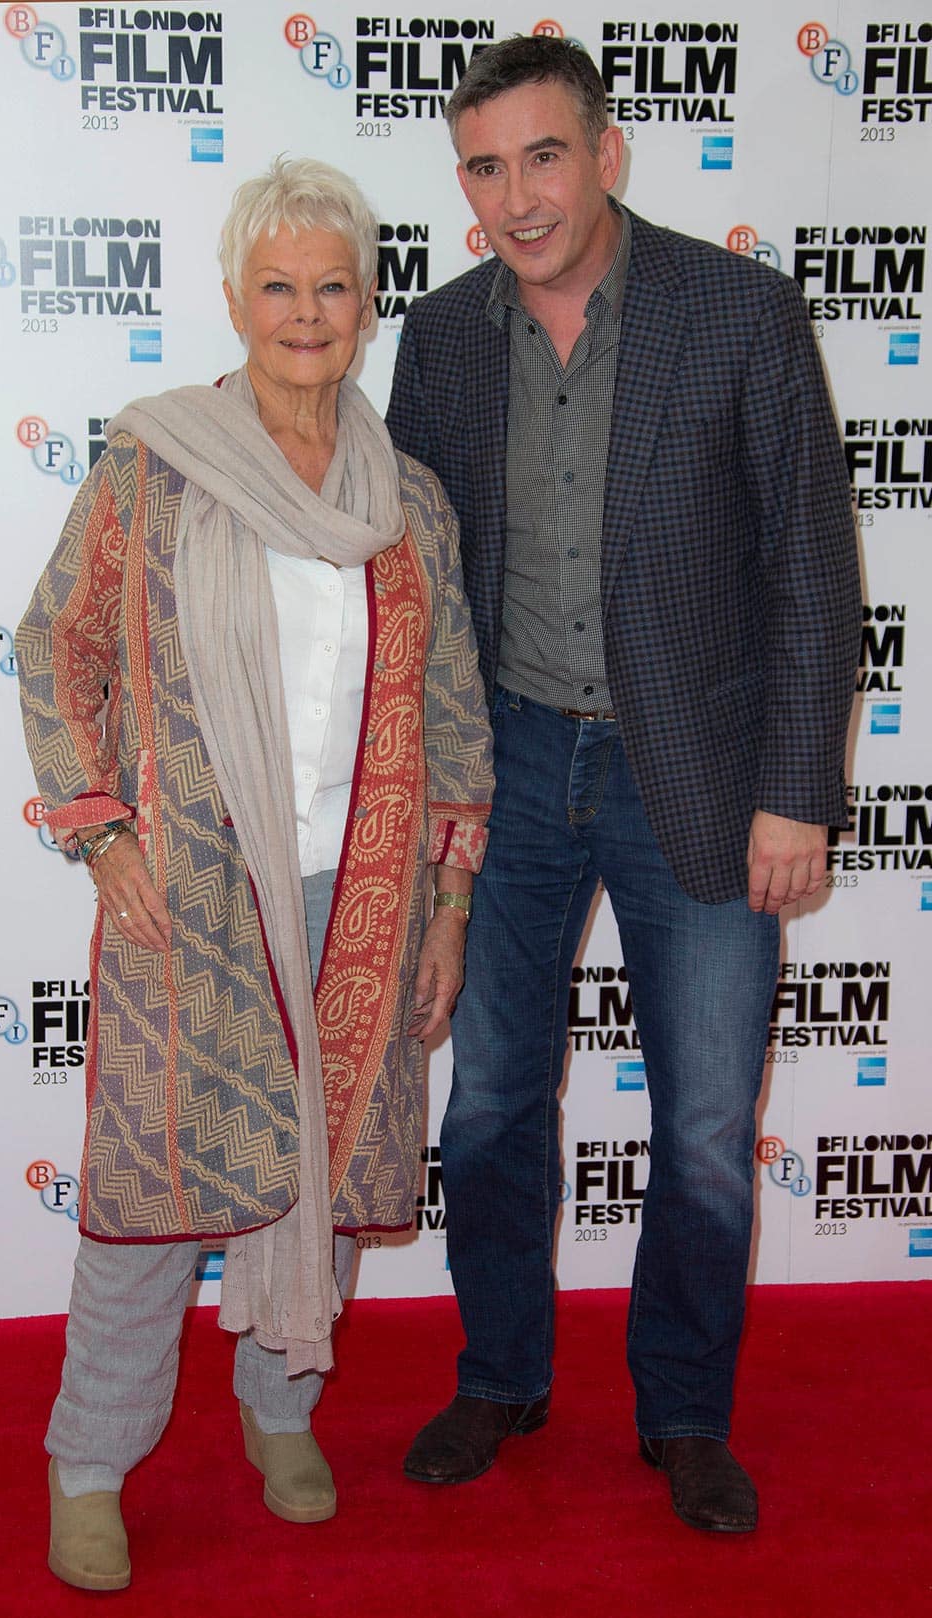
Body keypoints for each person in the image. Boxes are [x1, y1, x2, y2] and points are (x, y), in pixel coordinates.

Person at [386, 36, 860, 1532]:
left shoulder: (740, 313)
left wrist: (798, 790)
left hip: (701, 771)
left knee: (710, 1118)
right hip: (512, 758)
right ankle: (503, 1371)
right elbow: (414, 575)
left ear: (608, 154)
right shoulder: (445, 333)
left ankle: (685, 1410)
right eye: (484, 166)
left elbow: (813, 572)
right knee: (493, 1100)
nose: (517, 195)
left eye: (542, 155)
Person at [16, 155, 493, 1591]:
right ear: (234, 298)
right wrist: (100, 827)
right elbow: (60, 646)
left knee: (332, 1173)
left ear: (365, 304)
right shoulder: (152, 465)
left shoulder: (406, 496)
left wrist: (448, 900)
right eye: (276, 286)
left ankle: (282, 1403)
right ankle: (89, 1459)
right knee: (152, 1199)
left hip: (362, 891)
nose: (304, 313)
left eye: (330, 287)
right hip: (195, 891)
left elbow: (455, 707)